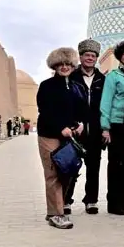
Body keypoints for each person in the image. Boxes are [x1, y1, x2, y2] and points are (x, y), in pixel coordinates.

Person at [36, 47, 86, 229]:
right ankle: (56, 214)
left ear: (73, 66)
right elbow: (45, 111)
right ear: (55, 66)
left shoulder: (76, 87)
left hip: (69, 138)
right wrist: (60, 127)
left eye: (68, 64)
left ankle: (56, 209)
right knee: (53, 173)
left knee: (67, 171)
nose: (64, 67)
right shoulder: (47, 86)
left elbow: (83, 111)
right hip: (49, 135)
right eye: (61, 64)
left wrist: (80, 124)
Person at [99, 40, 124, 215]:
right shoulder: (113, 76)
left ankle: (123, 200)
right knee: (116, 164)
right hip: (117, 124)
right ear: (120, 57)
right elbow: (106, 102)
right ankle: (113, 203)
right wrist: (105, 127)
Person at [67, 38, 105, 215]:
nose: (90, 58)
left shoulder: (102, 80)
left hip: (95, 131)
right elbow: (64, 104)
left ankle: (91, 200)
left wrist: (105, 128)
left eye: (93, 55)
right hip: (76, 131)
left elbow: (106, 106)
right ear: (80, 57)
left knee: (94, 168)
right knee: (71, 167)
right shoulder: (70, 78)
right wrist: (73, 124)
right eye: (86, 55)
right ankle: (66, 200)